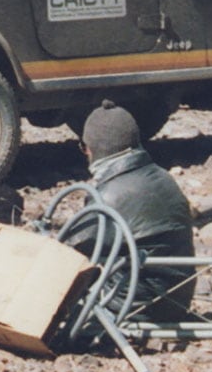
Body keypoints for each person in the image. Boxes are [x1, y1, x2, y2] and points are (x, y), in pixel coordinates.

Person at [63, 100, 197, 321]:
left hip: (132, 307)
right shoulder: (164, 178)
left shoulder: (109, 196)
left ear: (91, 149)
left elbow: (70, 250)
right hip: (176, 301)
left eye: (84, 147)